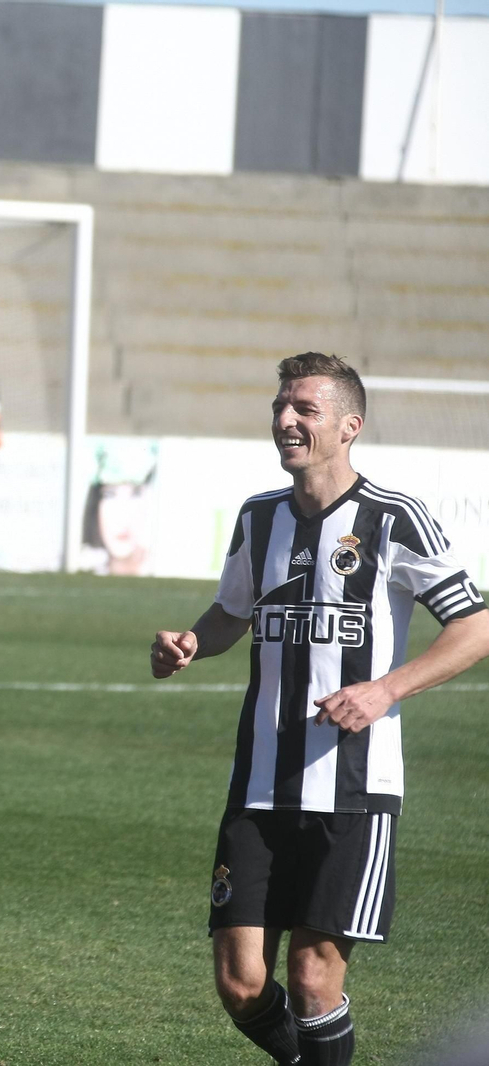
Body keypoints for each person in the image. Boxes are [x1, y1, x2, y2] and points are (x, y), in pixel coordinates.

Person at [150, 352, 489, 1066]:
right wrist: (191, 641)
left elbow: (476, 625)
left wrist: (385, 689)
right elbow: (231, 612)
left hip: (355, 790)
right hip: (260, 784)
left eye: (305, 409)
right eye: (281, 407)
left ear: (348, 426)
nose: (285, 420)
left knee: (311, 977)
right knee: (242, 985)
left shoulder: (393, 518)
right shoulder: (259, 517)